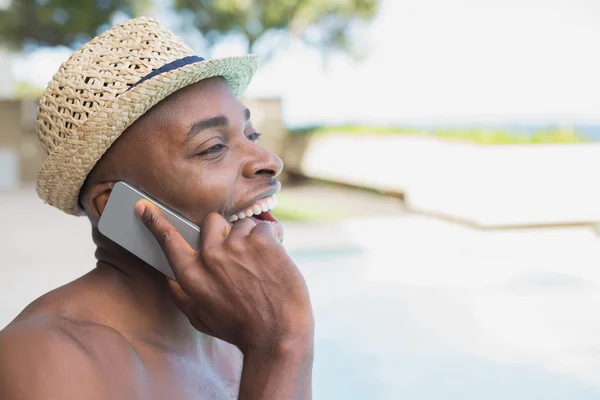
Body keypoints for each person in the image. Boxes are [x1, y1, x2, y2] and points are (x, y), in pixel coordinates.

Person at [0, 16, 314, 400]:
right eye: (213, 147)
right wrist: (282, 346)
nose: (269, 160)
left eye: (252, 135)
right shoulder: (47, 358)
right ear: (115, 204)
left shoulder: (237, 328)